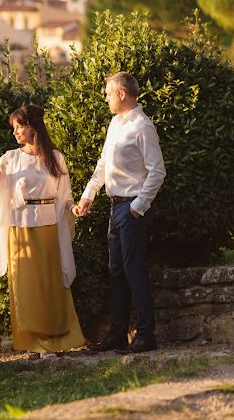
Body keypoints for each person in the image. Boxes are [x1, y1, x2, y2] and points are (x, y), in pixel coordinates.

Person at [0, 104, 85, 354]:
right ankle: (32, 345)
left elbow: (65, 195)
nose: (15, 132)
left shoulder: (55, 157)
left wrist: (74, 209)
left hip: (48, 227)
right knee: (26, 288)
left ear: (33, 126)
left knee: (51, 285)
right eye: (14, 128)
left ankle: (59, 341)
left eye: (19, 126)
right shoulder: (10, 158)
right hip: (20, 230)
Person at [75, 72, 166, 354]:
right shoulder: (115, 123)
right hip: (115, 207)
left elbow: (158, 171)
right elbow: (103, 163)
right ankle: (117, 336)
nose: (105, 98)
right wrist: (88, 195)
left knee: (134, 270)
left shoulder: (143, 126)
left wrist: (138, 208)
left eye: (108, 94)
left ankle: (146, 336)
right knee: (117, 272)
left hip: (131, 207)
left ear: (122, 94)